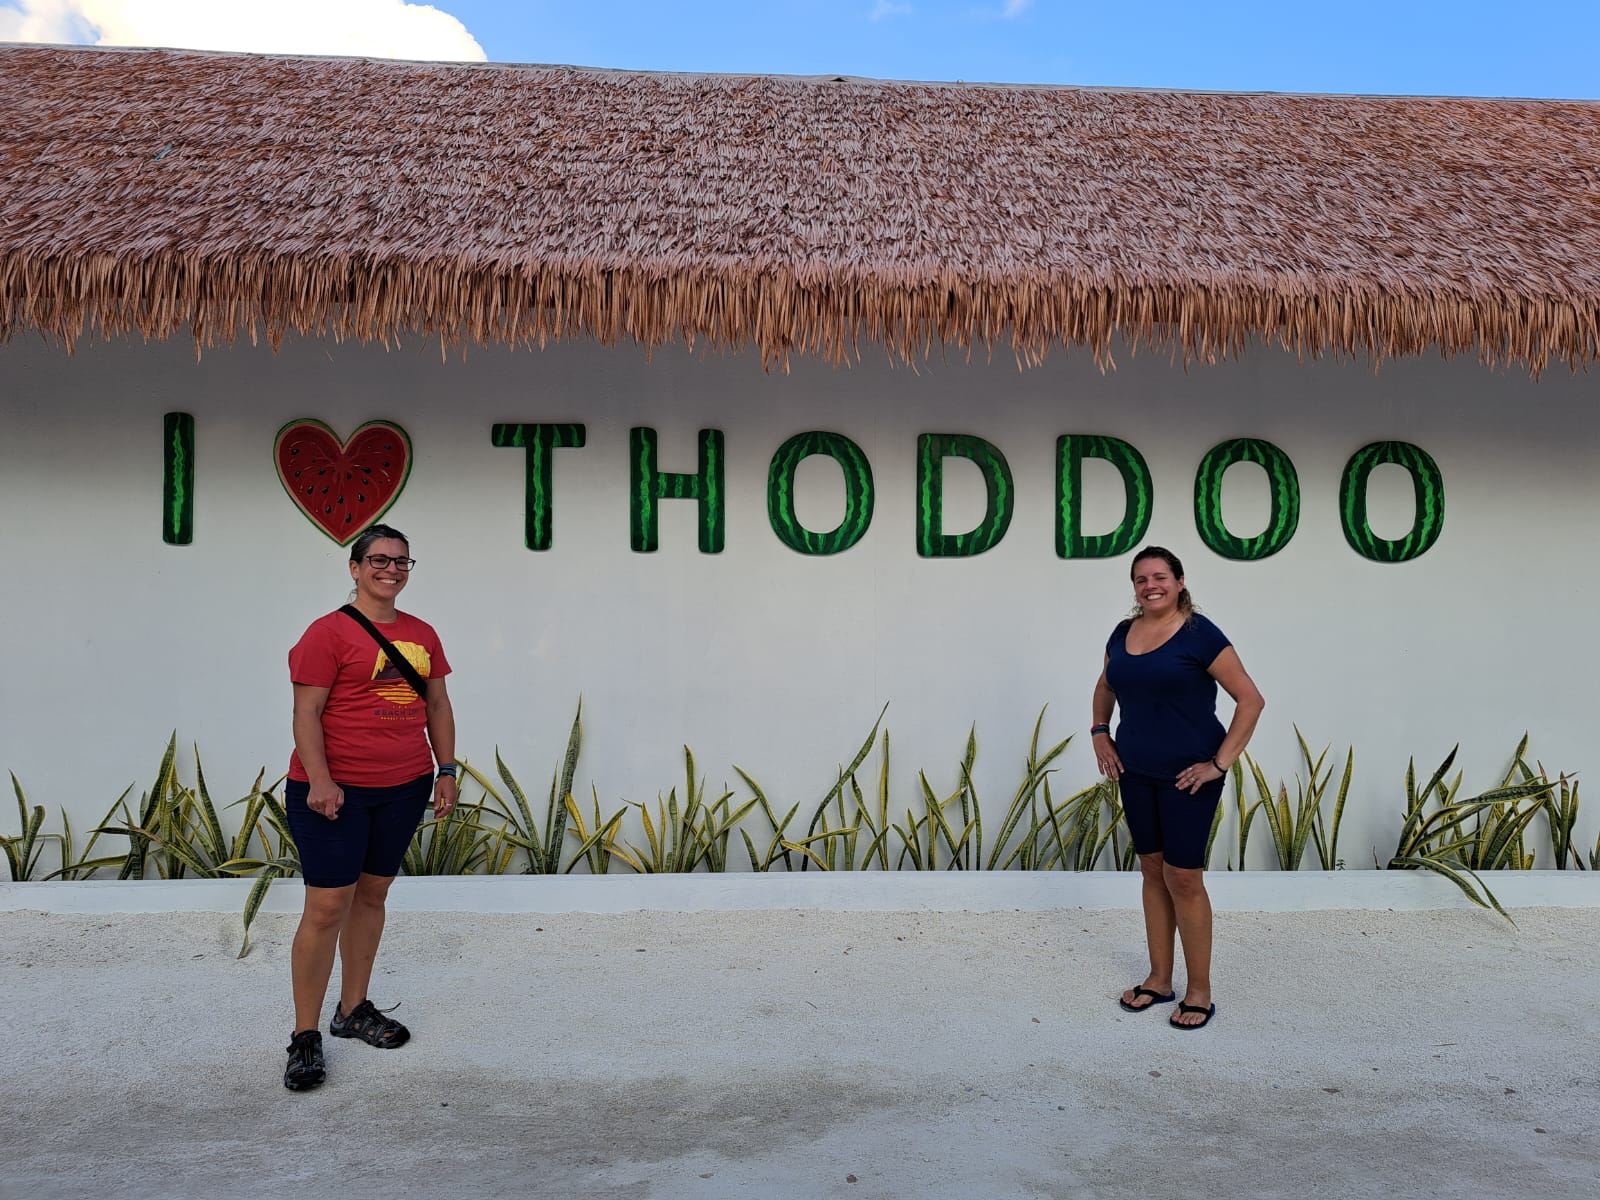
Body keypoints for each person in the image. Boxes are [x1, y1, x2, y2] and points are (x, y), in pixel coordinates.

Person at [281, 523, 458, 1090]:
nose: (392, 569)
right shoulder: (327, 633)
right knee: (326, 908)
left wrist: (446, 770)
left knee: (373, 895)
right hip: (334, 791)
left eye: (402, 561)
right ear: (355, 569)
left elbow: (438, 705)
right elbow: (306, 713)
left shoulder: (423, 633)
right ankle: (305, 1035)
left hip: (403, 786)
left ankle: (352, 1009)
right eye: (379, 560)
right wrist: (321, 780)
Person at [1090, 545, 1264, 1030]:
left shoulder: (1200, 635)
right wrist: (1100, 732)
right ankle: (1159, 979)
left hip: (1188, 778)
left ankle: (1200, 991)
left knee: (1183, 877)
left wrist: (1218, 764)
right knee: (1151, 869)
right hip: (1134, 772)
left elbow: (1251, 700)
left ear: (1180, 581)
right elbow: (1106, 685)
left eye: (1160, 577)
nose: (1151, 586)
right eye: (1141, 579)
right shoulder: (1122, 633)